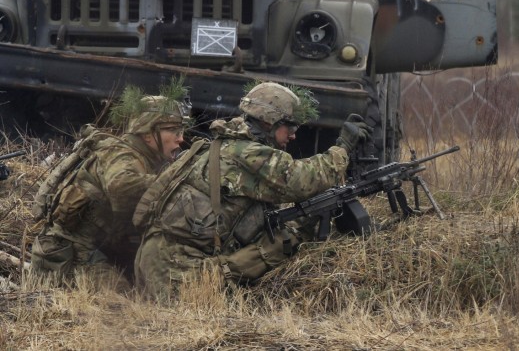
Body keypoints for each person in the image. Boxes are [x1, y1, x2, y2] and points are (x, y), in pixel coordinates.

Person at [134, 81, 372, 301]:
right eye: (289, 125)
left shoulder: (224, 145)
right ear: (269, 122)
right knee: (282, 243)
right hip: (178, 275)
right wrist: (343, 149)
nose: (293, 134)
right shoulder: (246, 153)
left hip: (159, 263)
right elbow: (302, 180)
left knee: (286, 227)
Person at [30, 83, 191, 287]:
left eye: (181, 130)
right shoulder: (120, 153)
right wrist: (175, 181)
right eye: (172, 130)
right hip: (69, 254)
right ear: (147, 133)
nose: (181, 138)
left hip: (97, 250)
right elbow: (122, 189)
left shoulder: (146, 159)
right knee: (120, 303)